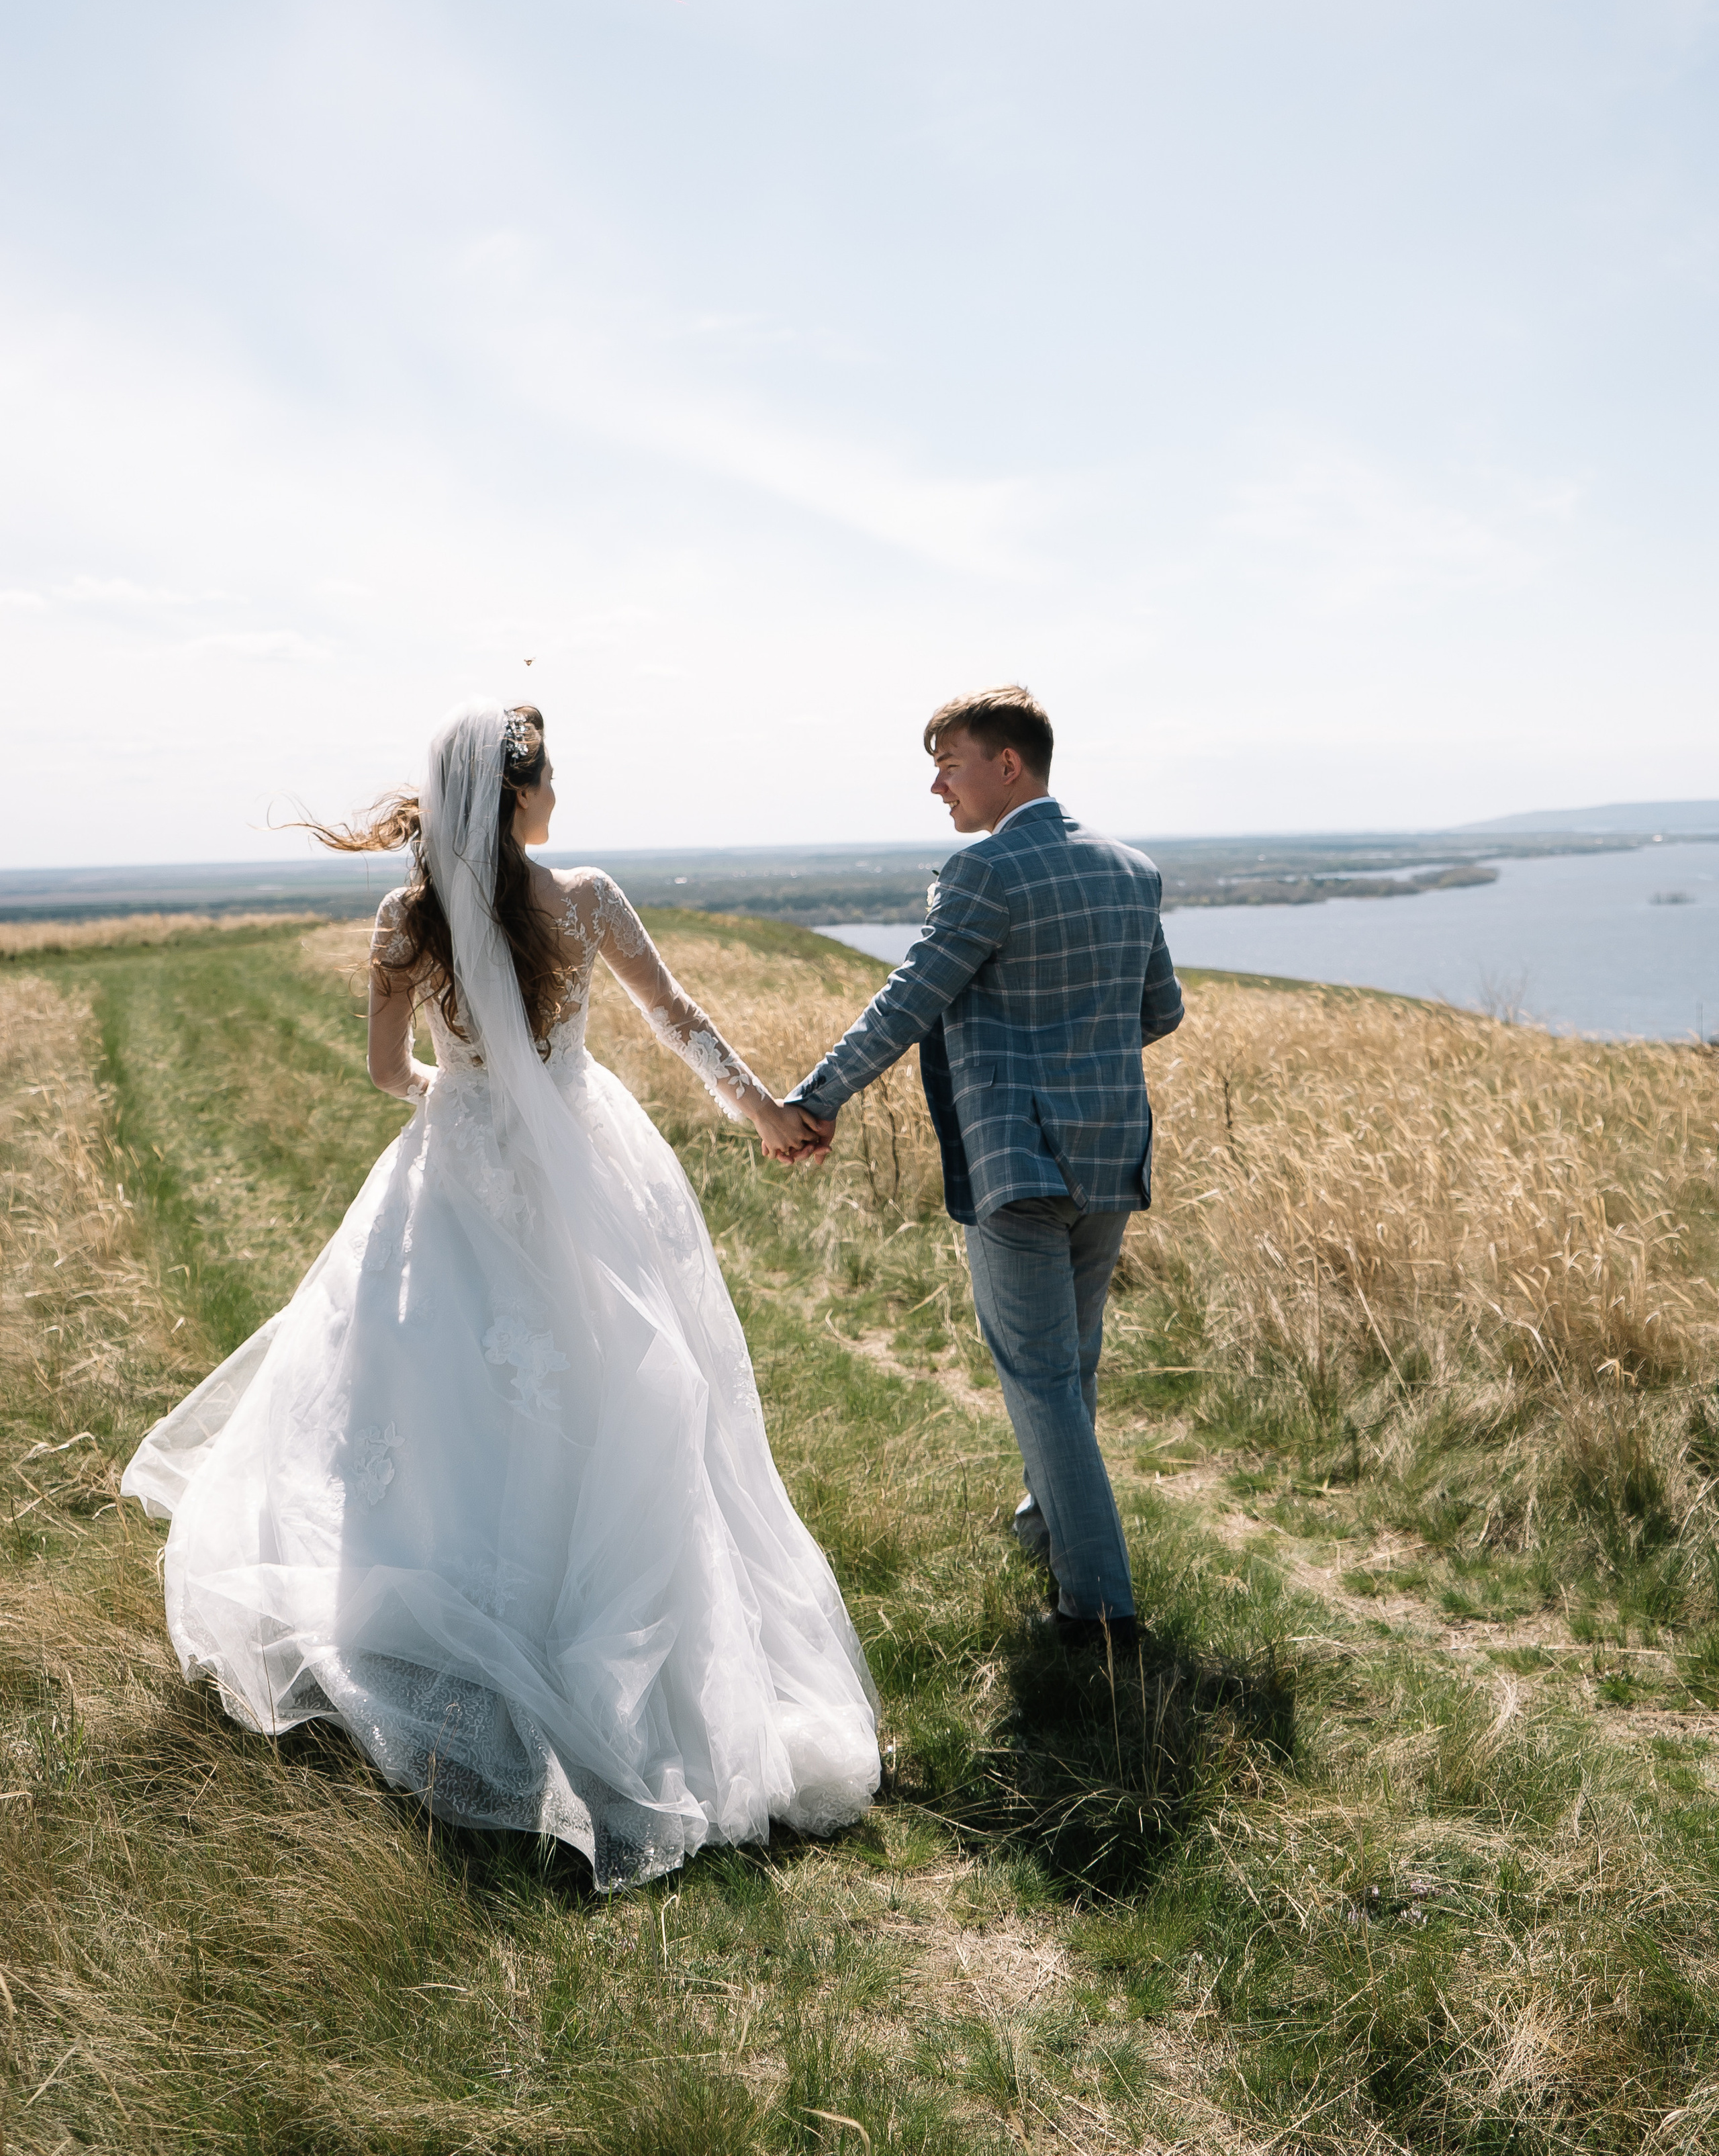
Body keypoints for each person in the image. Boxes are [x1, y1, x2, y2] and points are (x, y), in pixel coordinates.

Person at [122, 700, 878, 1889]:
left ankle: (452, 1622)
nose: (561, 788)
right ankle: (620, 1655)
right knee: (616, 1386)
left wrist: (462, 1096)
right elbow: (679, 1023)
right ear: (521, 794)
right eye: (550, 773)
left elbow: (385, 1071)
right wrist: (766, 1112)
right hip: (587, 1157)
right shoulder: (584, 899)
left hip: (458, 1167)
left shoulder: (406, 916)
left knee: (440, 1389)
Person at [787, 686, 1184, 1647]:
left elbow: (906, 1001)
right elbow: (1160, 1010)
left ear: (1010, 764)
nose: (936, 786)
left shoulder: (984, 870)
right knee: (1070, 1365)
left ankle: (1099, 1611)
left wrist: (814, 1097)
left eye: (951, 763)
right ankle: (1047, 1527)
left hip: (1017, 1158)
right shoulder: (1134, 869)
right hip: (1111, 1152)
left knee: (1041, 1374)